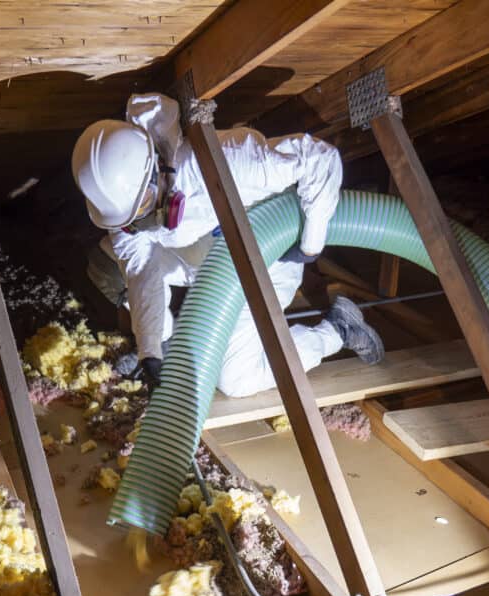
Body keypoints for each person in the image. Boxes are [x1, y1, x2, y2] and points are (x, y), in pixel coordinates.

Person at [71, 92, 383, 398]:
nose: (143, 220)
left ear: (156, 168)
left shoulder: (224, 162)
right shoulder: (126, 215)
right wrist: (150, 349)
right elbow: (142, 274)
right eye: (132, 216)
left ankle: (338, 330)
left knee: (235, 380)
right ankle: (171, 350)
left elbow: (319, 158)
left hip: (261, 258)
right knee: (108, 266)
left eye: (145, 206)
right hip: (204, 257)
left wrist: (311, 243)